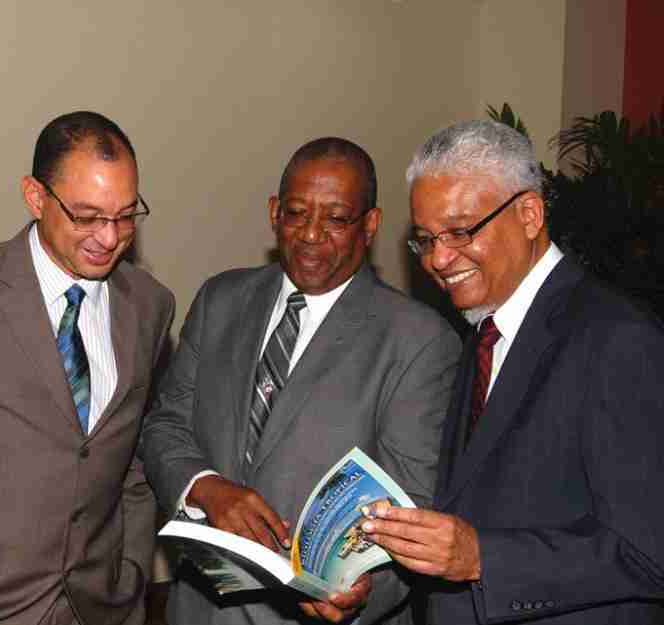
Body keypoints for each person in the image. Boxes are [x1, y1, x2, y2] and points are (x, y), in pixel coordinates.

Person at [141, 137, 461, 624]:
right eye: (296, 213)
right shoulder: (219, 300)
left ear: (370, 226)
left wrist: (359, 594)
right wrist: (207, 488)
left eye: (335, 219)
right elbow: (165, 427)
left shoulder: (417, 340)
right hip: (197, 611)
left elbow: (412, 512)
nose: (311, 234)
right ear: (274, 213)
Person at [362, 119, 664, 624]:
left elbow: (648, 551)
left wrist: (483, 557)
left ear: (529, 213)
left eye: (460, 232)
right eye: (424, 239)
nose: (438, 259)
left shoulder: (617, 338)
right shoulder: (483, 332)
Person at [0, 111, 175, 625]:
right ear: (35, 196)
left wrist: (130, 571)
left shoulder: (150, 306)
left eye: (126, 216)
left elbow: (131, 462)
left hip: (103, 609)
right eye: (86, 217)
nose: (109, 238)